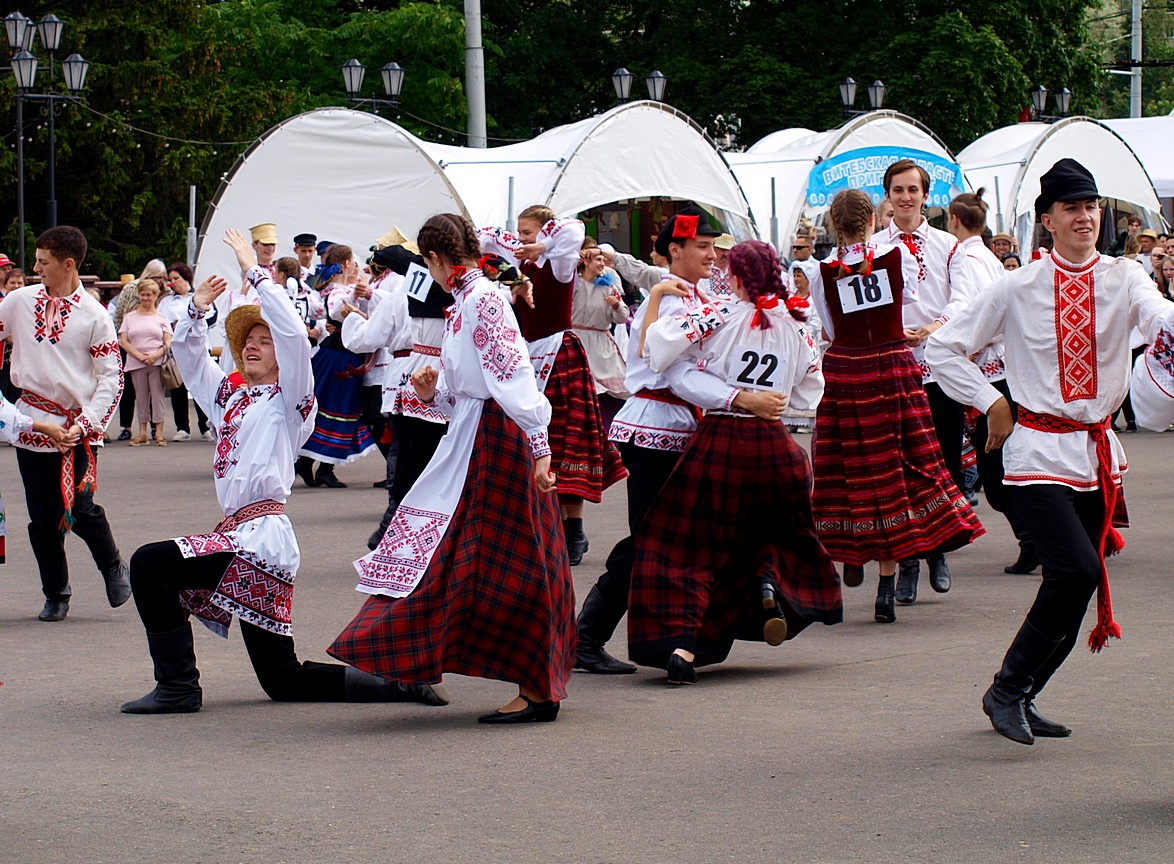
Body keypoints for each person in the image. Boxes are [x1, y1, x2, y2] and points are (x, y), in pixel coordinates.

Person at [120, 229, 444, 714]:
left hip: (261, 537)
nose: (253, 346)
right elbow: (189, 363)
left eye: (262, 341)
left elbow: (294, 335)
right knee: (282, 677)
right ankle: (398, 685)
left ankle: (178, 686)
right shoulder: (228, 394)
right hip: (243, 534)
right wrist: (194, 310)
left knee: (149, 563)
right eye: (247, 340)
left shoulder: (291, 400)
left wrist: (256, 270)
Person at [927, 158, 1174, 745]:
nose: (1085, 217)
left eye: (1091, 206)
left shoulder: (1125, 278)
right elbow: (941, 349)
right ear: (1047, 220)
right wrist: (992, 402)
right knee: (1075, 569)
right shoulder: (1016, 286)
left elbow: (1159, 316)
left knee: (1078, 580)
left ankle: (1023, 691)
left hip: (1093, 452)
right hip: (1035, 450)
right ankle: (1006, 690)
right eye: (1072, 208)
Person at [329, 213, 575, 724]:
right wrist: (433, 391)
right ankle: (415, 658)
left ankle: (536, 685)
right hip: (475, 431)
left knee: (514, 557)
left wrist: (540, 445)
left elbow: (512, 375)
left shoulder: (483, 299)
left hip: (497, 436)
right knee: (461, 550)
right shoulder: (467, 299)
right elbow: (474, 378)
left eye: (428, 263)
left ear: (438, 259)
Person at [627, 239, 841, 683]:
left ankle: (684, 646)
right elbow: (809, 392)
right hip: (776, 447)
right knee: (768, 535)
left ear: (738, 276)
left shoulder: (716, 313)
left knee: (690, 548)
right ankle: (768, 586)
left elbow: (661, 355)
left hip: (722, 441)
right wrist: (770, 397)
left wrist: (733, 394)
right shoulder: (797, 323)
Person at [811, 190, 983, 624]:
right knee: (900, 466)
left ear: (834, 225)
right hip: (891, 366)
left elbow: (828, 328)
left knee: (850, 465)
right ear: (872, 219)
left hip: (848, 370)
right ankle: (887, 583)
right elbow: (905, 302)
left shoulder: (821, 271)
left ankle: (854, 551)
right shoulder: (896, 256)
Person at [575, 206, 724, 674]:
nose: (712, 255)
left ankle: (672, 639)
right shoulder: (671, 301)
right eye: (703, 246)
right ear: (675, 251)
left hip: (680, 427)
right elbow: (670, 372)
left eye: (714, 246)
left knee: (671, 539)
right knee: (651, 540)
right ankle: (588, 636)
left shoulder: (692, 294)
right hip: (656, 428)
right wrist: (735, 398)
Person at [479, 206, 627, 566]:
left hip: (559, 356)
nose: (523, 239)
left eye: (528, 232)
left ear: (545, 231)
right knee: (530, 442)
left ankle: (573, 529)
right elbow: (481, 236)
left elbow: (574, 231)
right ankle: (542, 527)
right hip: (527, 359)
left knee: (565, 443)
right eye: (522, 232)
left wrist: (540, 245)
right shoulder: (521, 266)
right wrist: (516, 246)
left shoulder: (559, 262)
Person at [0, 226, 131, 622]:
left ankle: (112, 566)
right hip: (32, 424)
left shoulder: (95, 315)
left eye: (43, 261)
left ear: (67, 264)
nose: (36, 267)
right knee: (43, 519)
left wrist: (88, 423)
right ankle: (56, 592)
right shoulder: (18, 302)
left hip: (76, 426)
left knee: (79, 507)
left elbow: (112, 376)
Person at [882, 158, 975, 600]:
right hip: (892, 367)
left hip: (939, 366)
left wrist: (937, 326)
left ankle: (939, 546)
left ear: (926, 195)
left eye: (912, 190)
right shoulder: (873, 248)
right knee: (898, 466)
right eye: (898, 190)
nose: (905, 197)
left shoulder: (948, 246)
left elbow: (964, 300)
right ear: (888, 195)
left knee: (945, 461)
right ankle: (908, 561)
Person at [946, 190, 1037, 577]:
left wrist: (953, 339)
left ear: (953, 220)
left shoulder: (966, 258)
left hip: (988, 375)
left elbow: (969, 311)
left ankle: (1035, 539)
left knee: (996, 470)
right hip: (1003, 371)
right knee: (1002, 465)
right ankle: (1034, 539)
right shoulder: (987, 257)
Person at [294, 244, 377, 487]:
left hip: (344, 354)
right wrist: (354, 299)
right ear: (345, 265)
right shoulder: (336, 291)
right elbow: (336, 312)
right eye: (353, 262)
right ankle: (315, 466)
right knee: (334, 408)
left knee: (340, 408)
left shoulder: (345, 289)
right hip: (338, 356)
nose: (356, 267)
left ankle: (315, 465)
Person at [572, 240, 630, 434]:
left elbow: (622, 318)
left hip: (600, 344)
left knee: (607, 394)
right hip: (576, 341)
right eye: (597, 259)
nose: (602, 263)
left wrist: (616, 306)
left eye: (603, 259)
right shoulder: (575, 284)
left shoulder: (608, 287)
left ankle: (608, 433)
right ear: (586, 261)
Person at [113, 260, 168, 440]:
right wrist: (136, 354)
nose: (160, 280)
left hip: (156, 357)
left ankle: (157, 430)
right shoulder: (130, 290)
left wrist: (156, 354)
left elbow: (168, 337)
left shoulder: (164, 298)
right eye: (157, 277)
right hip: (133, 354)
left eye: (162, 278)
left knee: (157, 396)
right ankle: (132, 428)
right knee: (134, 393)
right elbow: (119, 319)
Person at [160, 262, 212, 441]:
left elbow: (211, 316)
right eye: (170, 279)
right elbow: (160, 321)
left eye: (176, 278)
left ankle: (205, 426)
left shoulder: (198, 296)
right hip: (178, 350)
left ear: (186, 278)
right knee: (178, 388)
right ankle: (182, 428)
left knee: (200, 386)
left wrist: (189, 322)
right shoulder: (166, 302)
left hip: (199, 348)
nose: (173, 283)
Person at [782, 257, 822, 432]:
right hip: (790, 346)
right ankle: (789, 417)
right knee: (790, 379)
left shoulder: (814, 300)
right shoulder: (788, 298)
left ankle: (806, 419)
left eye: (800, 275)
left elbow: (816, 321)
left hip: (808, 344)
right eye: (795, 275)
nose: (797, 279)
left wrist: (803, 333)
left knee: (806, 379)